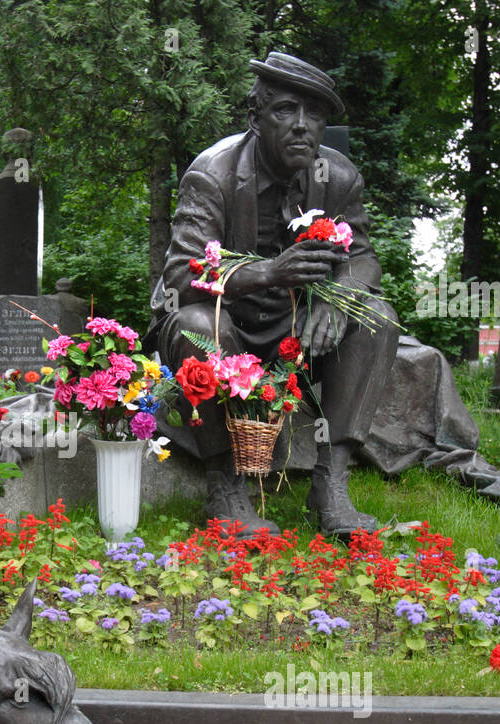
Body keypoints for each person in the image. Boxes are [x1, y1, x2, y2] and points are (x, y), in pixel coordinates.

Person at [147, 51, 398, 536]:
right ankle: (226, 486)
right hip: (227, 323)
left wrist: (336, 296)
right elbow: (181, 276)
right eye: (285, 110)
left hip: (299, 330)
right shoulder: (212, 174)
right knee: (197, 325)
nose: (302, 126)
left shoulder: (338, 177)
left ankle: (331, 486)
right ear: (255, 117)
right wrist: (267, 272)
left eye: (315, 115)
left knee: (377, 316)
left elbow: (365, 259)